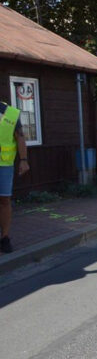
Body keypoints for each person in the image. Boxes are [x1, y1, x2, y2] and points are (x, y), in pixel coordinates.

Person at [0, 100, 29, 253]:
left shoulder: (11, 113)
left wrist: (24, 160)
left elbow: (20, 137)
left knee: (4, 200)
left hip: (4, 166)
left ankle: (4, 238)